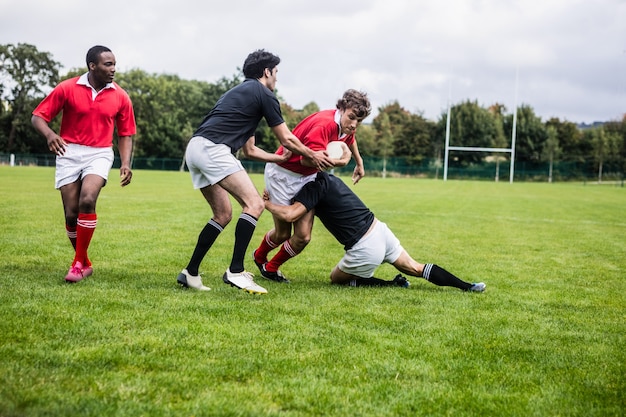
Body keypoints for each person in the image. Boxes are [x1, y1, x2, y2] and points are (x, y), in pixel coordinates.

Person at [177, 49, 334, 295]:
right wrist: (311, 154)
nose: (277, 78)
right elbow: (286, 137)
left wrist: (278, 157)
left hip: (196, 148)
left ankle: (190, 273)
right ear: (266, 72)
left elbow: (250, 150)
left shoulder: (240, 94)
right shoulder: (264, 94)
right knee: (254, 204)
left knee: (223, 214)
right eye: (276, 72)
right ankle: (236, 271)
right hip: (214, 149)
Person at [263, 163, 486, 292]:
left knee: (335, 278)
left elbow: (291, 215)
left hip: (364, 247)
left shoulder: (312, 186)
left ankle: (391, 284)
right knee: (415, 267)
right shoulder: (331, 179)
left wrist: (264, 203)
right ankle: (468, 286)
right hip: (381, 230)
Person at [31, 45, 136, 283]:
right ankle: (84, 261)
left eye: (114, 64)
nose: (113, 69)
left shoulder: (120, 95)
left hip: (99, 152)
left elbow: (126, 133)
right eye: (108, 64)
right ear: (92, 66)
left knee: (87, 199)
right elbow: (38, 117)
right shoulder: (67, 88)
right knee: (71, 215)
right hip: (68, 151)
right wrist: (50, 135)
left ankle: (77, 264)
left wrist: (126, 163)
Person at [253, 89, 371, 283]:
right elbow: (306, 162)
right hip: (283, 174)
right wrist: (341, 162)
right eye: (351, 118)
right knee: (283, 233)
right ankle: (259, 257)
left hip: (307, 178)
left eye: (359, 121)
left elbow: (350, 139)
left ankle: (270, 268)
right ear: (341, 108)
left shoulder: (348, 124)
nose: (354, 124)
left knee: (303, 237)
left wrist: (359, 162)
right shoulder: (323, 125)